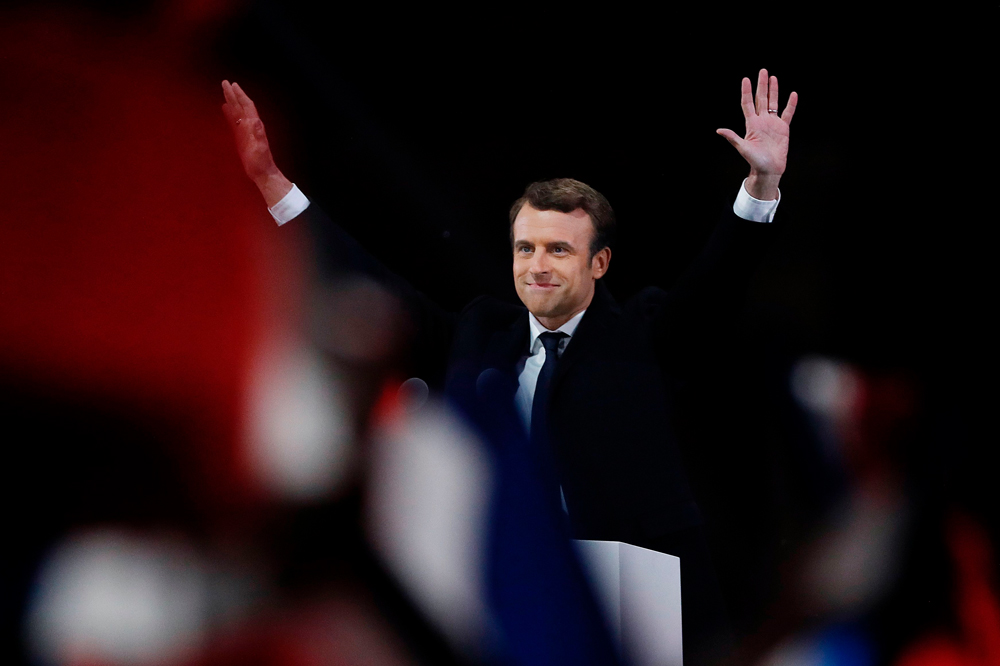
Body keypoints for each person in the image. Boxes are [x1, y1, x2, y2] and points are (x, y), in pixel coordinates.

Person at [221, 70, 797, 664]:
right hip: (501, 582)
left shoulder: (644, 331)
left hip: (629, 590)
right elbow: (368, 277)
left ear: (598, 263)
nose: (538, 266)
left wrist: (761, 184)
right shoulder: (478, 333)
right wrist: (271, 184)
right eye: (527, 248)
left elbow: (716, 285)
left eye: (559, 249)